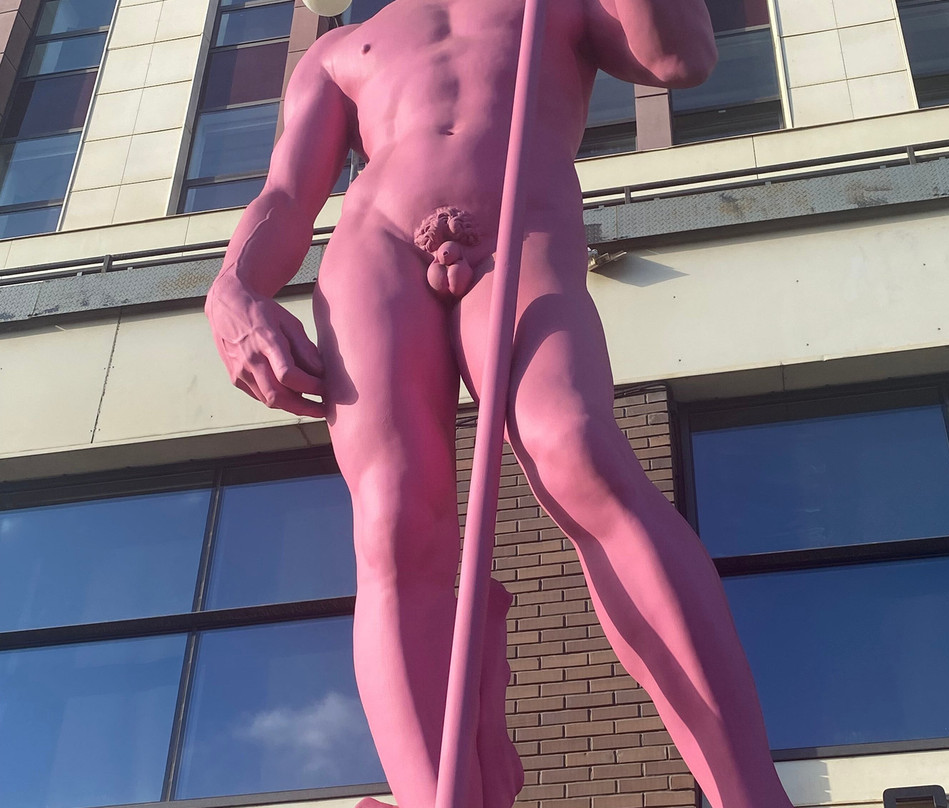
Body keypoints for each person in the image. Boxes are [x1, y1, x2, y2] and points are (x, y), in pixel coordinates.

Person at [204, 2, 794, 808]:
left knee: (575, 449)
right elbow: (286, 193)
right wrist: (232, 288)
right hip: (374, 246)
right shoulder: (339, 49)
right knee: (394, 521)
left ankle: (747, 794)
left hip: (521, 221)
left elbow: (678, 60)